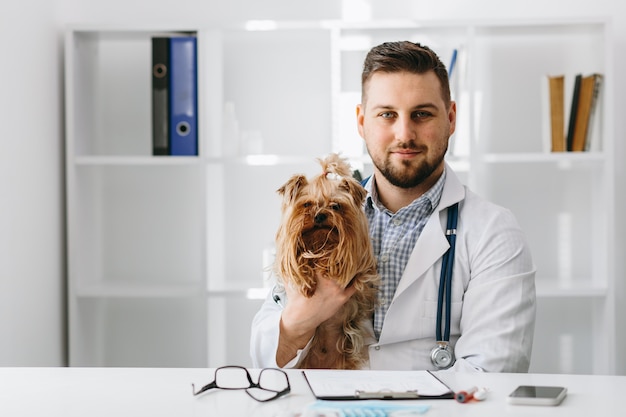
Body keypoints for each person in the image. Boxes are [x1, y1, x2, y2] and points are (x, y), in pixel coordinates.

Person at [250, 41, 536, 372]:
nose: (405, 133)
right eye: (387, 114)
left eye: (422, 114)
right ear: (361, 121)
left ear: (452, 117)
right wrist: (299, 320)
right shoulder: (321, 225)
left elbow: (493, 373)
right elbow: (264, 359)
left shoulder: (494, 232)